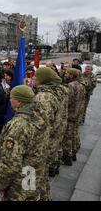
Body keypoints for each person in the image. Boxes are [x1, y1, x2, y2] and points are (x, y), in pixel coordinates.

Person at [0, 85, 48, 201]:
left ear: (19, 101)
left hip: (17, 184)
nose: (9, 100)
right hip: (32, 175)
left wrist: (1, 184)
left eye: (11, 98)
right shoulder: (39, 117)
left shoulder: (18, 125)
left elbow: (11, 162)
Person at [32, 67, 60, 201]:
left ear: (42, 80)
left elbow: (40, 125)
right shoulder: (49, 94)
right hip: (47, 143)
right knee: (42, 177)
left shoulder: (42, 98)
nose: (32, 79)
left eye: (35, 77)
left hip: (39, 146)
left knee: (32, 181)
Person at [62, 68, 85, 165]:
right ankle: (74, 153)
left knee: (67, 136)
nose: (66, 75)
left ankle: (67, 157)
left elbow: (68, 100)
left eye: (67, 73)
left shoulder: (71, 86)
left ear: (71, 75)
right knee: (74, 134)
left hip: (70, 115)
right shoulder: (81, 86)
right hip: (77, 114)